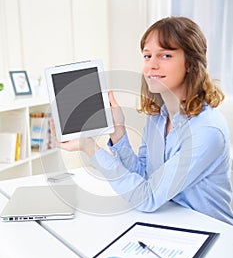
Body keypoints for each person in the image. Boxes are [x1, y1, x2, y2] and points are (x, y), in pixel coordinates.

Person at [51, 16, 233, 225]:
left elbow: (148, 197)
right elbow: (144, 176)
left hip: (212, 234)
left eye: (165, 55)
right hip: (172, 222)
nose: (151, 66)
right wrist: (117, 132)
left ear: (190, 63)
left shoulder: (206, 130)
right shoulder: (159, 118)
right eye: (147, 56)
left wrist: (90, 148)